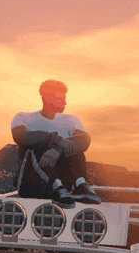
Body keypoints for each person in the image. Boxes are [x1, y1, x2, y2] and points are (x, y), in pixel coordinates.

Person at [11, 79, 101, 208]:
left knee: (74, 142)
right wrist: (56, 140)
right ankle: (55, 186)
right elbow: (20, 136)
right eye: (60, 99)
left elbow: (84, 140)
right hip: (32, 183)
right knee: (37, 142)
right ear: (46, 98)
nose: (65, 102)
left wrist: (58, 149)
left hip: (65, 186)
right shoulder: (24, 117)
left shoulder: (71, 120)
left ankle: (80, 185)